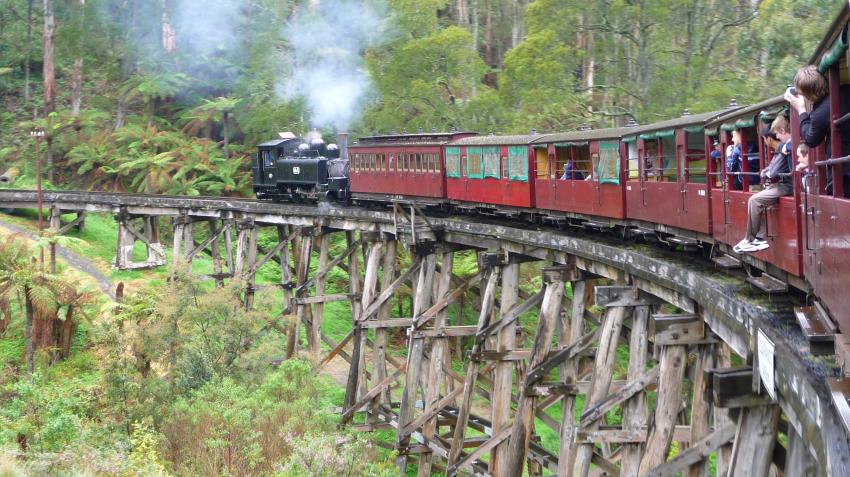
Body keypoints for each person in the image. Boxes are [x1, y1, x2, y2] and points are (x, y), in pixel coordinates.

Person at [784, 65, 850, 196]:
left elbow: (811, 139)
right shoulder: (846, 90)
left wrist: (802, 110)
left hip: (845, 171)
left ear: (807, 94)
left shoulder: (821, 112)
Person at [733, 116, 794, 253]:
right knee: (753, 200)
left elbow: (772, 173)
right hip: (783, 183)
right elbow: (770, 170)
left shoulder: (786, 146)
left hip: (788, 185)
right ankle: (755, 238)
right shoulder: (785, 147)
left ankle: (752, 239)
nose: (777, 136)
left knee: (754, 200)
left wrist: (766, 173)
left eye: (778, 133)